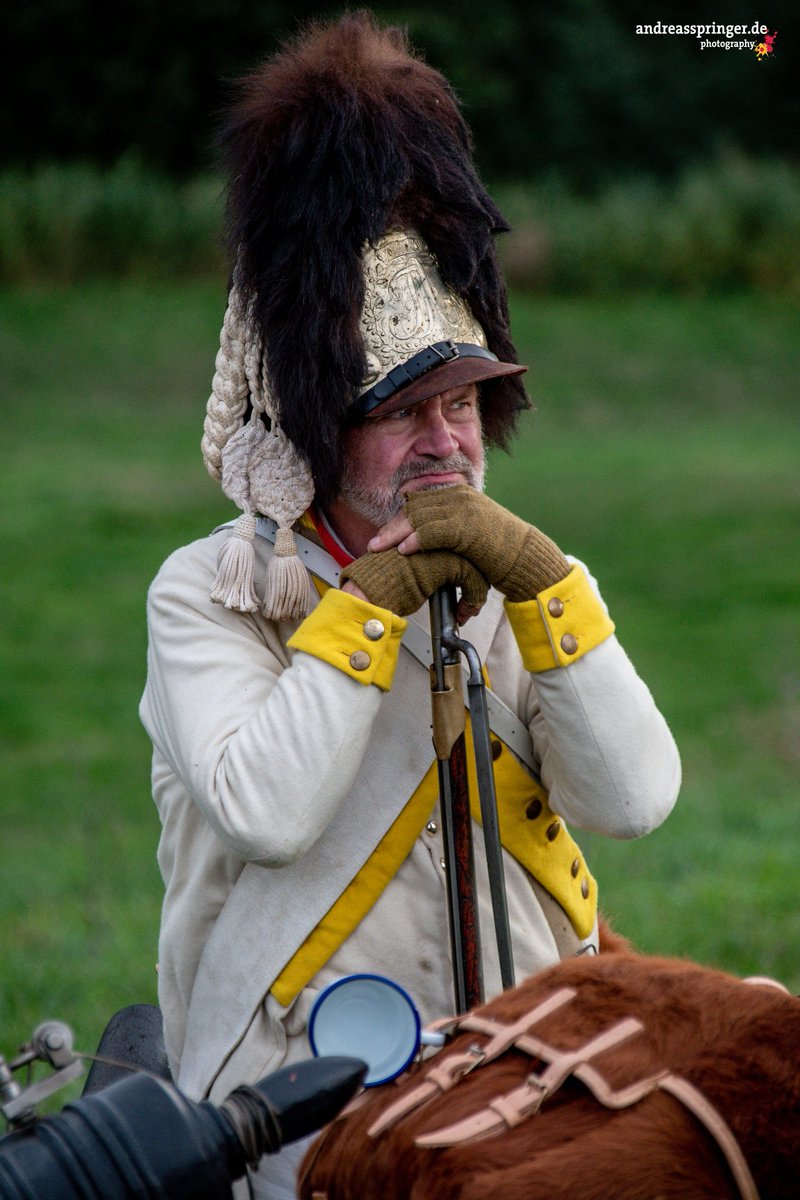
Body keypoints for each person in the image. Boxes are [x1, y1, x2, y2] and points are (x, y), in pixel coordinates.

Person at [139, 14, 680, 1198]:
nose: (447, 443)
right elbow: (265, 813)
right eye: (402, 411)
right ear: (318, 420)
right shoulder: (208, 592)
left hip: (531, 1071)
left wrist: (538, 582)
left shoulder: (522, 580)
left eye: (465, 405)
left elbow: (634, 798)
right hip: (289, 1097)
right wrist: (378, 597)